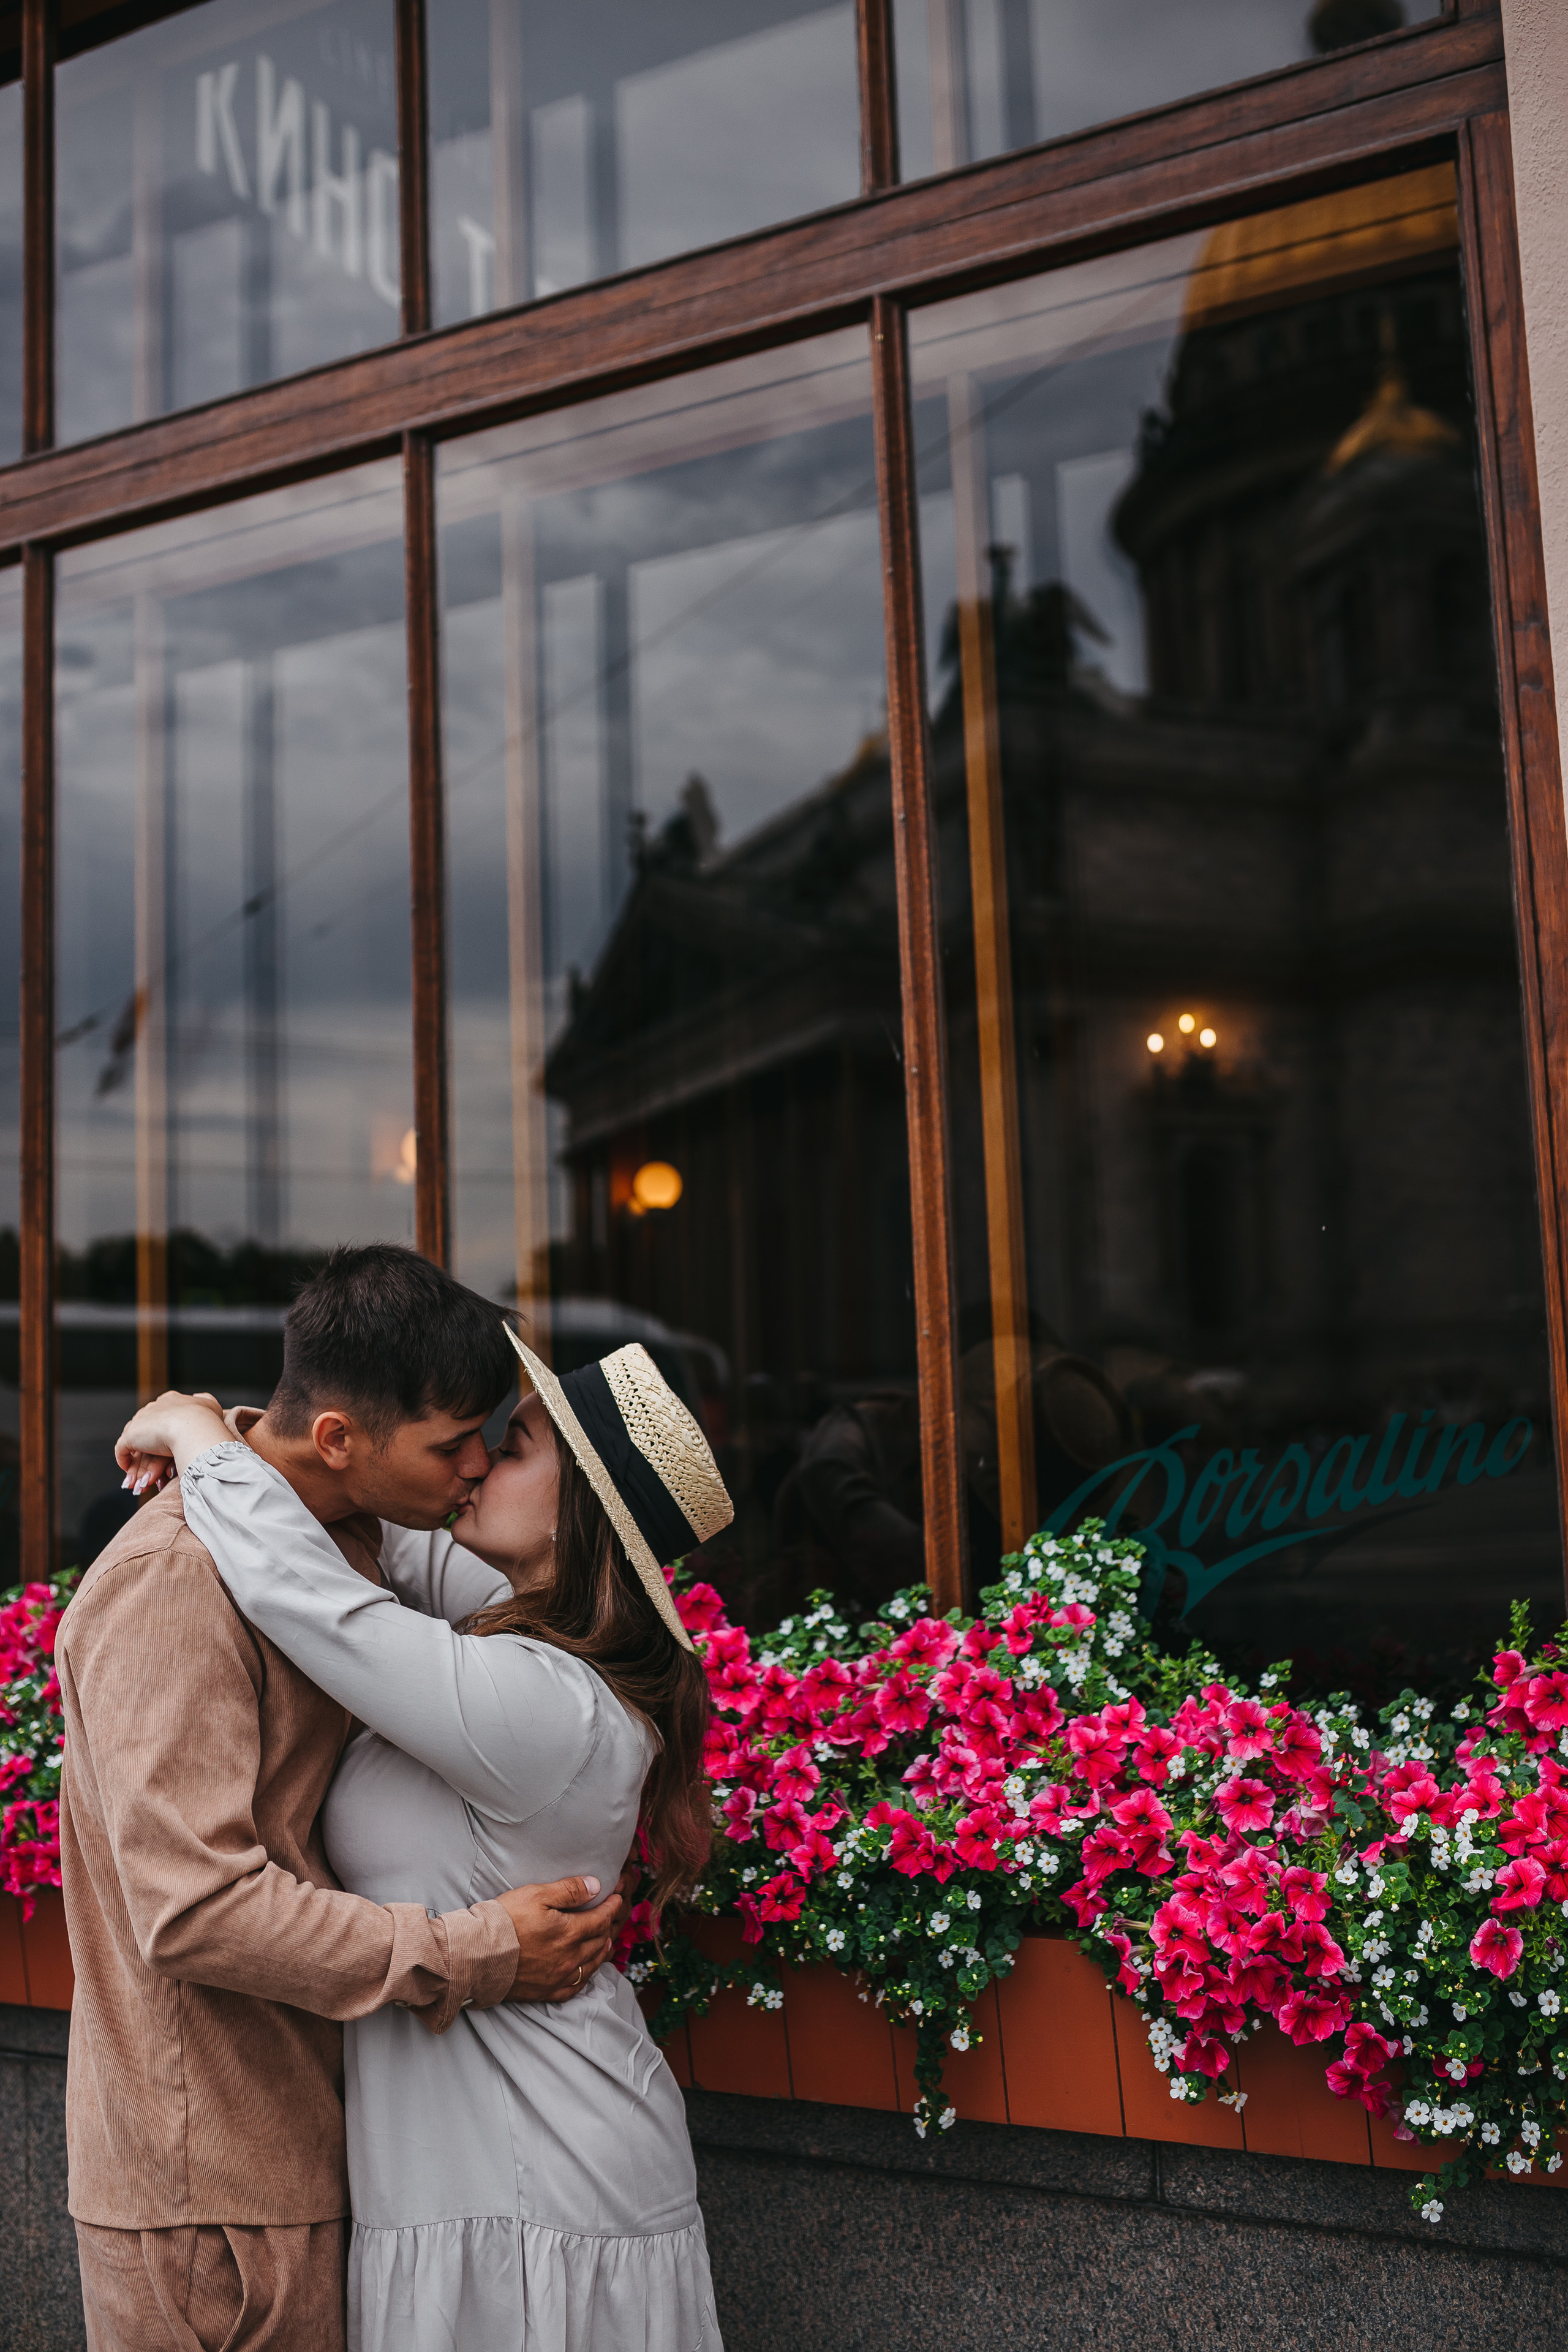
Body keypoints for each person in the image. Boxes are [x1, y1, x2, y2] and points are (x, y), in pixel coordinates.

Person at [115, 1310, 735, 2352]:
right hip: (472, 2161)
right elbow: (355, 1487)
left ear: (576, 1515)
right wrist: (245, 1427)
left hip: (537, 2169)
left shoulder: (547, 1705)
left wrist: (189, 1430)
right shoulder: (512, 1607)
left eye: (513, 1445)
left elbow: (310, 1597)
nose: (477, 1462)